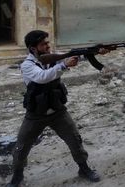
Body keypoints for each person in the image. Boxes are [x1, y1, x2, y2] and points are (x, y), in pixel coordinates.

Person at [7, 30, 106, 187]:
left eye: (47, 42)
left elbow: (77, 55)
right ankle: (17, 177)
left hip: (57, 109)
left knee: (74, 140)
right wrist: (64, 65)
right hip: (36, 114)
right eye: (43, 44)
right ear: (33, 48)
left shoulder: (55, 57)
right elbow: (42, 77)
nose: (47, 46)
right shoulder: (27, 65)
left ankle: (84, 168)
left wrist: (95, 51)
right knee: (21, 147)